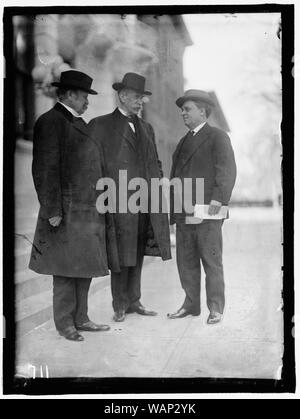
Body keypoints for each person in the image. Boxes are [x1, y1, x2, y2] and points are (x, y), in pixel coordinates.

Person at [29, 70, 111, 341]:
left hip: (85, 212)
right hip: (64, 211)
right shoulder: (51, 121)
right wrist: (52, 210)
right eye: (85, 96)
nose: (87, 101)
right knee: (64, 270)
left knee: (83, 266)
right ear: (71, 94)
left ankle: (81, 318)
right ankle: (65, 323)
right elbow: (44, 169)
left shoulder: (78, 122)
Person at [89, 72, 171, 322]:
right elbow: (92, 165)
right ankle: (120, 304)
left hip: (144, 200)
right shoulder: (101, 125)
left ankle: (134, 300)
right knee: (120, 254)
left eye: (142, 98)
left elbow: (154, 161)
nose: (140, 102)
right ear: (122, 96)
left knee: (136, 253)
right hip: (117, 200)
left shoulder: (146, 127)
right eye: (136, 97)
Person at [168, 89, 236, 324]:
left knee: (211, 261)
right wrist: (173, 214)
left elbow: (226, 172)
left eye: (187, 109)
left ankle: (216, 308)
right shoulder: (183, 142)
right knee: (186, 262)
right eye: (182, 110)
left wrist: (218, 201)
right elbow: (175, 178)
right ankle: (190, 304)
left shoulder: (218, 137)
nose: (183, 114)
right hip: (185, 213)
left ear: (202, 111)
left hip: (208, 212)